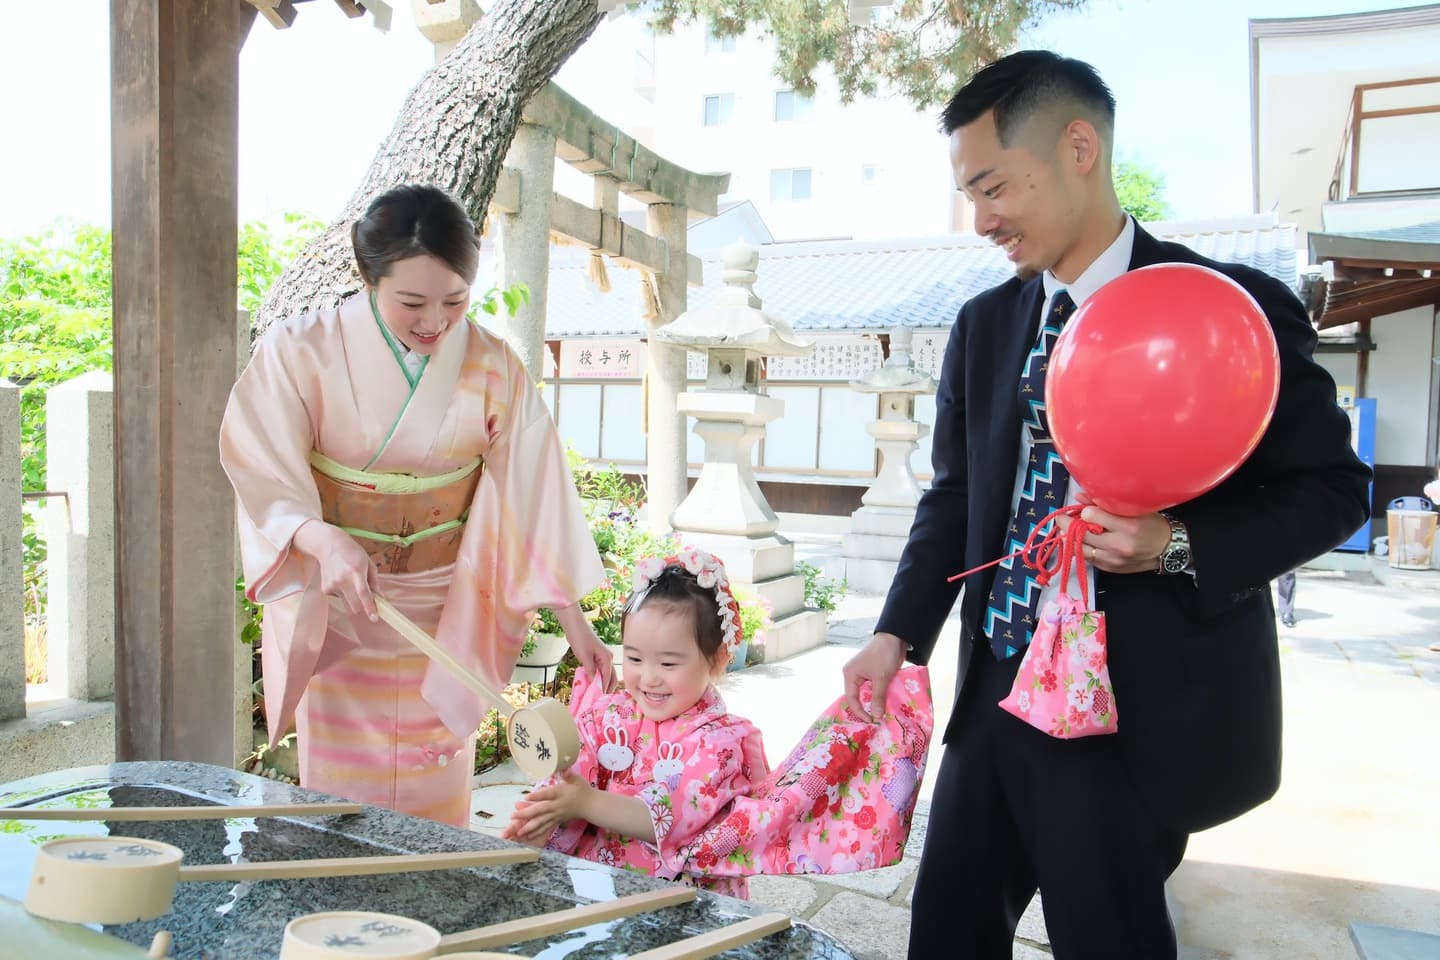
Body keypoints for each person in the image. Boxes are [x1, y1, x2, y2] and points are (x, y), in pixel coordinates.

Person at [839, 51, 1372, 959]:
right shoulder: (985, 326)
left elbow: (1335, 491)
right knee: (947, 932)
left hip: (1128, 714)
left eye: (992, 186)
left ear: (1078, 147)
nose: (982, 220)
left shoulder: (1226, 308)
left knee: (1107, 938)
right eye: (969, 196)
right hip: (997, 684)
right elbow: (957, 496)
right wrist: (898, 632)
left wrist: (1175, 543)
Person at [220, 184, 613, 827]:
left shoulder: (492, 363)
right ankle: (345, 913)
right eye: (412, 302)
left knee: (436, 775)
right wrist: (320, 539)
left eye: (455, 301)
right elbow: (260, 462)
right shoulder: (300, 351)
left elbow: (532, 493)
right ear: (367, 276)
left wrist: (578, 625)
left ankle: (432, 911)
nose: (434, 321)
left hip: (446, 608)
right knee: (343, 797)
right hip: (342, 602)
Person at [504, 548, 935, 898]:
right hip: (600, 886)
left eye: (668, 662)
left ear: (718, 660)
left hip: (682, 898)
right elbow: (572, 775)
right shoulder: (608, 713)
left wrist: (584, 803)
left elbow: (675, 817)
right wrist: (544, 812)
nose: (648, 676)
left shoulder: (723, 742)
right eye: (634, 658)